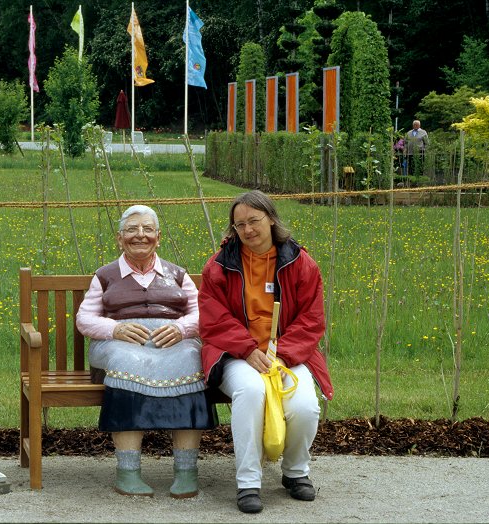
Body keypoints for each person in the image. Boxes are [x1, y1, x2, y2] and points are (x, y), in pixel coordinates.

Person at [198, 190, 334, 513]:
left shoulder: (302, 263)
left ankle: (295, 471)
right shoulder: (218, 266)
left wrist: (283, 354)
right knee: (251, 389)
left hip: (286, 355)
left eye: (254, 221)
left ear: (271, 219)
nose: (247, 230)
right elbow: (212, 318)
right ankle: (248, 482)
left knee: (304, 405)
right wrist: (247, 350)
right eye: (239, 224)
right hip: (235, 355)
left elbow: (312, 321)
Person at [76, 205, 216, 499]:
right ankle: (128, 473)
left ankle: (186, 472)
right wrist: (115, 330)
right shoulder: (105, 276)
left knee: (193, 358)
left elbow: (202, 313)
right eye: (132, 229)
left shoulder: (177, 275)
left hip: (172, 343)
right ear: (119, 237)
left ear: (158, 236)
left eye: (147, 229)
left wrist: (181, 328)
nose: (140, 235)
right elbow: (85, 319)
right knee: (124, 360)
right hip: (119, 344)